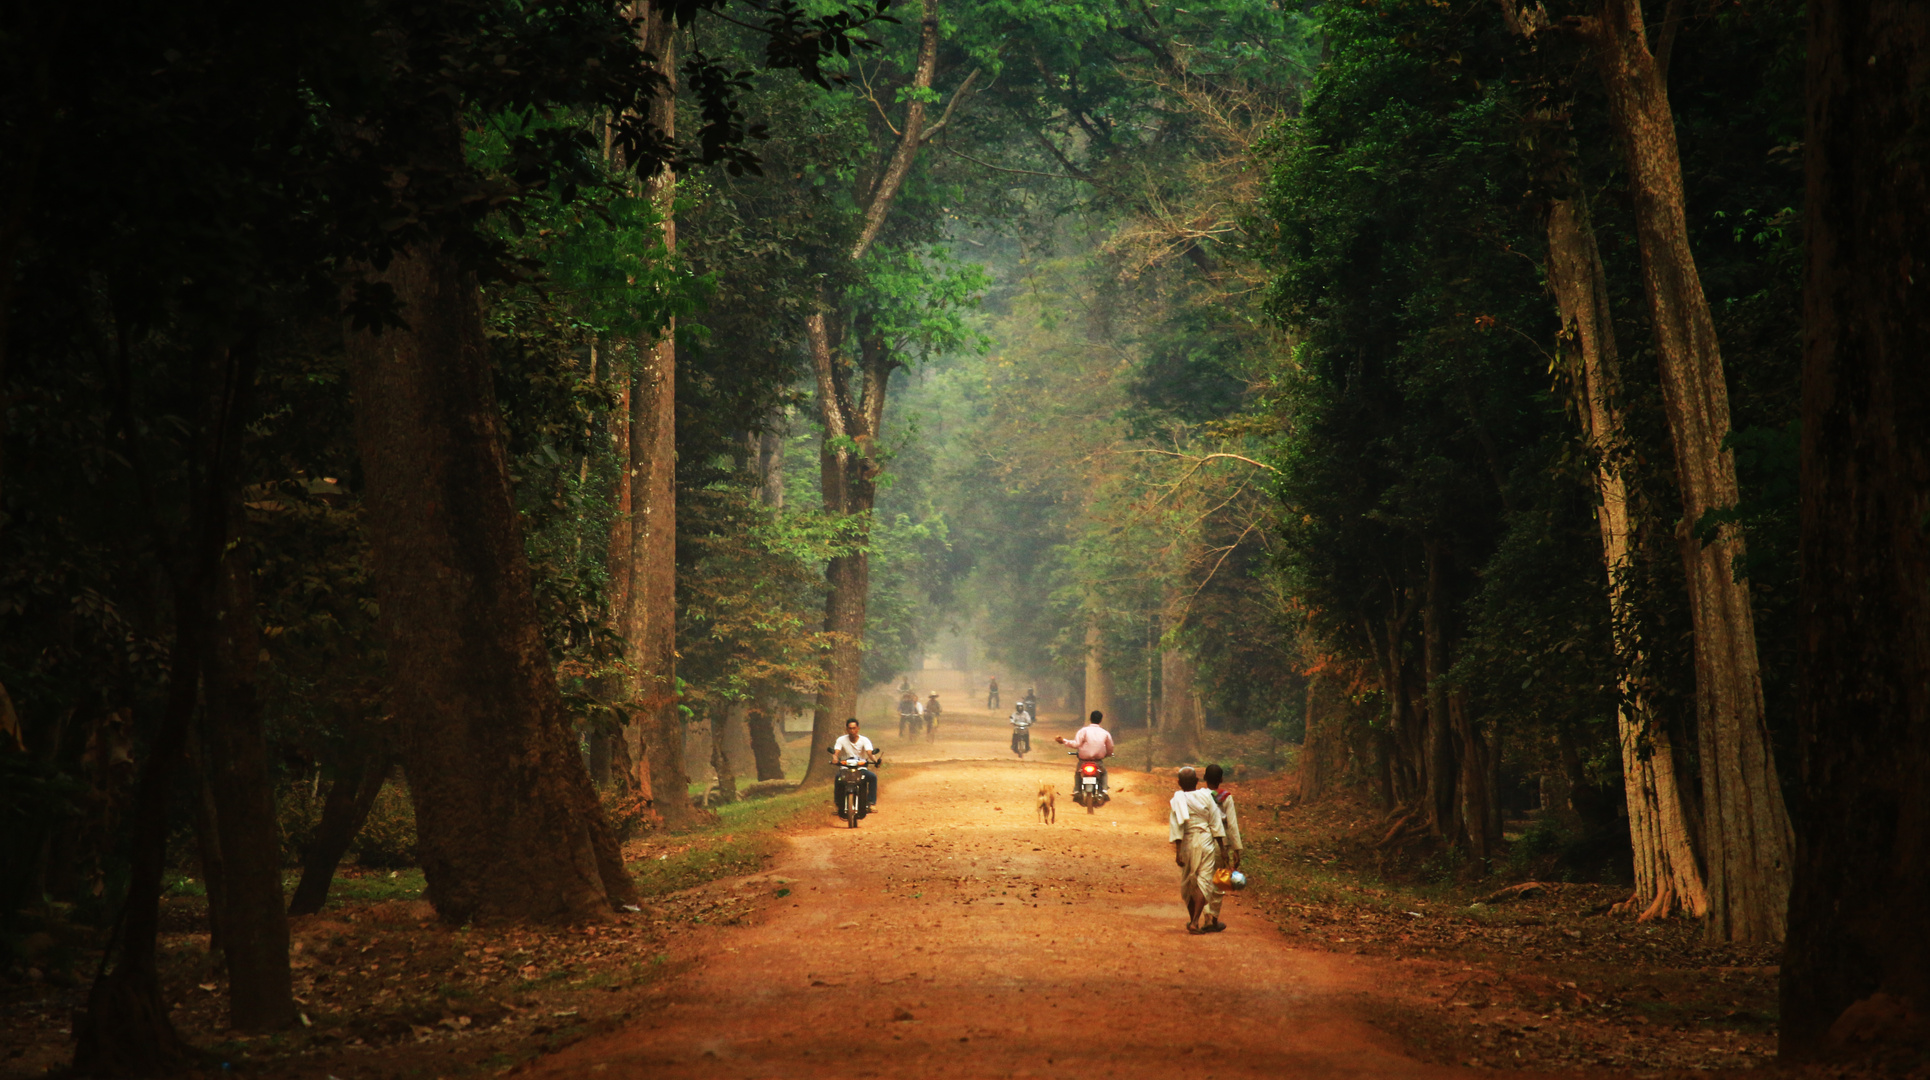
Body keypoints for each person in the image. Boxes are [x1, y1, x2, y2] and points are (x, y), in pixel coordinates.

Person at [1169, 766, 1226, 934]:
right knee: (1205, 880)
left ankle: (1193, 920)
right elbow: (1215, 822)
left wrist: (1178, 851)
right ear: (1197, 781)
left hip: (1187, 841)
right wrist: (1222, 848)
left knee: (1189, 881)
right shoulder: (1207, 796)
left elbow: (1177, 826)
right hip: (1206, 840)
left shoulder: (1177, 800)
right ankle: (1195, 921)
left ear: (1179, 783)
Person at [1201, 763, 1243, 932]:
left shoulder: (1199, 796)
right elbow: (1232, 825)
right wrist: (1236, 850)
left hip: (1202, 840)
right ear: (1221, 780)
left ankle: (1204, 916)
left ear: (1204, 779)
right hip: (1221, 845)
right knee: (1219, 881)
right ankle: (1214, 918)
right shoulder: (1226, 798)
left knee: (1203, 879)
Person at [1055, 710, 1114, 796]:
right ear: (1101, 720)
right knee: (1104, 773)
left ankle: (1077, 790)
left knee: (1078, 773)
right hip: (1098, 761)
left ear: (1090, 719)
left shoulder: (1083, 731)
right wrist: (1108, 754)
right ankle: (1104, 790)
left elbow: (1076, 744)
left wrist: (1064, 741)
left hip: (1083, 761)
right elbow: (1110, 747)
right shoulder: (1105, 733)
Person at [828, 718, 880, 811]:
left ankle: (871, 803)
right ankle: (838, 804)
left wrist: (876, 761)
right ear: (846, 729)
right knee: (838, 778)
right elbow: (836, 752)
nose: (852, 731)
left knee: (872, 777)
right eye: (850, 728)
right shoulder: (841, 739)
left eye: (854, 728)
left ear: (858, 729)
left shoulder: (865, 740)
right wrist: (835, 759)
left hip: (861, 768)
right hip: (846, 768)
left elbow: (869, 753)